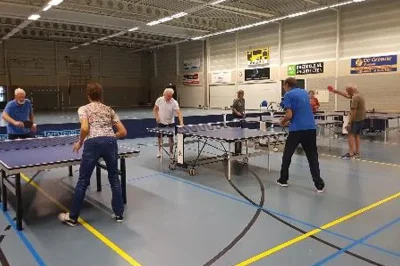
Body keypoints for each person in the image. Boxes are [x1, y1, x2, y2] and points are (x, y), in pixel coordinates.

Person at [58, 82, 127, 226]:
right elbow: (123, 131)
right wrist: (109, 137)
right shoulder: (109, 110)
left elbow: (84, 128)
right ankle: (119, 214)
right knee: (114, 178)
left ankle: (73, 217)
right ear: (101, 95)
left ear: (88, 95)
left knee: (83, 180)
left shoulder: (84, 109)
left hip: (92, 143)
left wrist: (80, 142)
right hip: (110, 142)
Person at [277, 77, 325, 193]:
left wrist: (282, 122)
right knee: (312, 157)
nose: (284, 88)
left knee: (287, 154)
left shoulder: (288, 95)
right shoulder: (304, 92)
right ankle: (319, 185)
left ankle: (283, 180)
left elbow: (289, 114)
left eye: (284, 86)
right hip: (310, 128)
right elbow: (301, 110)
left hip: (297, 129)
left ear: (287, 85)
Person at [328, 83, 366, 159]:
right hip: (361, 119)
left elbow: (353, 111)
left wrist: (349, 123)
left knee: (350, 135)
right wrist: (335, 91)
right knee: (357, 135)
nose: (346, 91)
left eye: (347, 89)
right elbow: (346, 95)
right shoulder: (358, 95)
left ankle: (351, 153)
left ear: (351, 90)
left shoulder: (355, 98)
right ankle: (357, 153)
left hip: (355, 119)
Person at [153, 88, 184, 158]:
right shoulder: (159, 100)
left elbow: (179, 113)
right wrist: (157, 116)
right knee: (159, 138)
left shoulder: (174, 102)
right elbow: (155, 109)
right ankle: (159, 151)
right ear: (164, 94)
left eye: (171, 96)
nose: (169, 97)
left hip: (170, 123)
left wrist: (181, 122)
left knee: (171, 139)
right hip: (161, 122)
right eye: (168, 96)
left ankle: (171, 152)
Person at [232, 90, 245, 154]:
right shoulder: (236, 100)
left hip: (241, 116)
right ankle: (236, 150)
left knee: (241, 133)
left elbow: (243, 107)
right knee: (236, 133)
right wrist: (237, 113)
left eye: (243, 93)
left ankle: (240, 150)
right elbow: (233, 108)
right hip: (236, 116)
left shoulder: (243, 100)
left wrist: (244, 113)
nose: (243, 94)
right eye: (242, 93)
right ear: (239, 94)